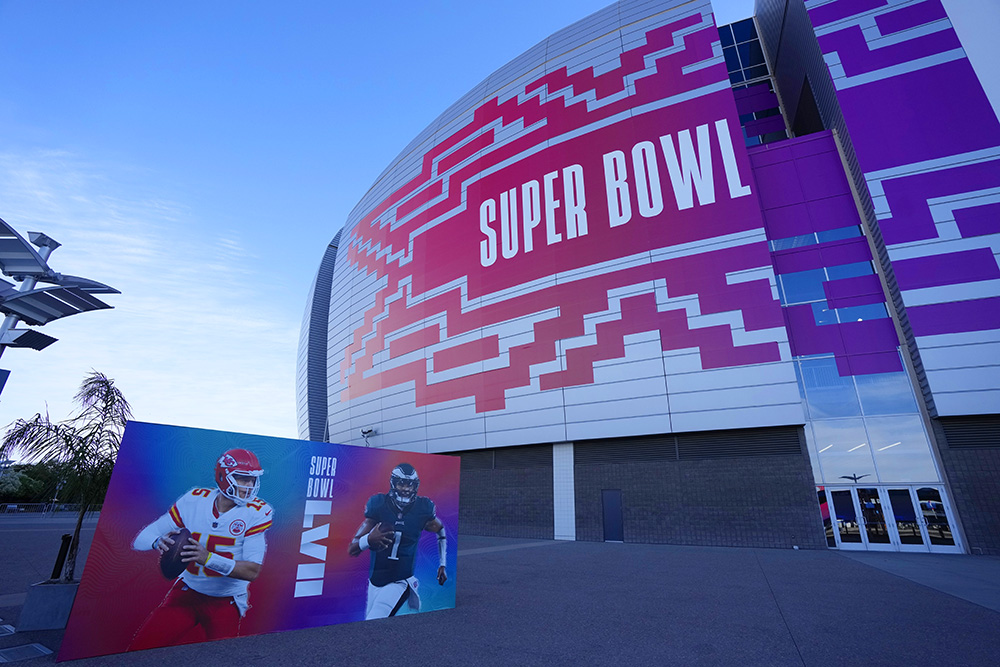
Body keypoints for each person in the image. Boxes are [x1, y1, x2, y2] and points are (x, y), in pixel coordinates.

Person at [129, 449, 273, 649]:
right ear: (223, 477)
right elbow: (141, 539)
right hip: (188, 592)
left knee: (224, 658)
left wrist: (208, 558)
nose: (249, 486)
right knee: (139, 649)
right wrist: (157, 542)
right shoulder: (195, 501)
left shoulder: (257, 513)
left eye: (252, 480)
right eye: (242, 479)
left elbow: (252, 570)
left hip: (226, 601)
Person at [348, 463, 447, 619]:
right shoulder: (378, 504)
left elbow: (440, 530)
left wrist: (442, 564)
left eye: (410, 484)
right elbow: (352, 549)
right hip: (375, 580)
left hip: (400, 579)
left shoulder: (423, 508)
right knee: (369, 620)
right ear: (393, 483)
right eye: (401, 483)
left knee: (374, 617)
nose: (406, 489)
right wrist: (368, 539)